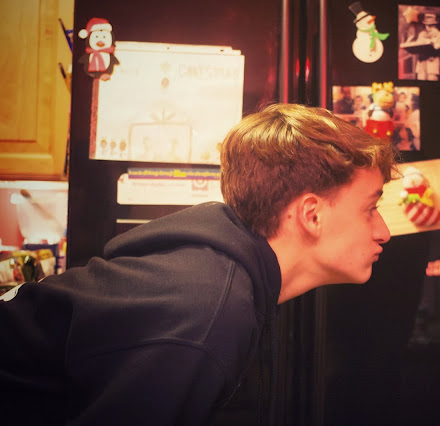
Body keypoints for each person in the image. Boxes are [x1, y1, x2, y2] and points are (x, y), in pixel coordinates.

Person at [0, 103, 397, 425]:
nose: (384, 232)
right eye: (370, 208)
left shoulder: (223, 272)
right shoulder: (206, 315)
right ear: (312, 215)